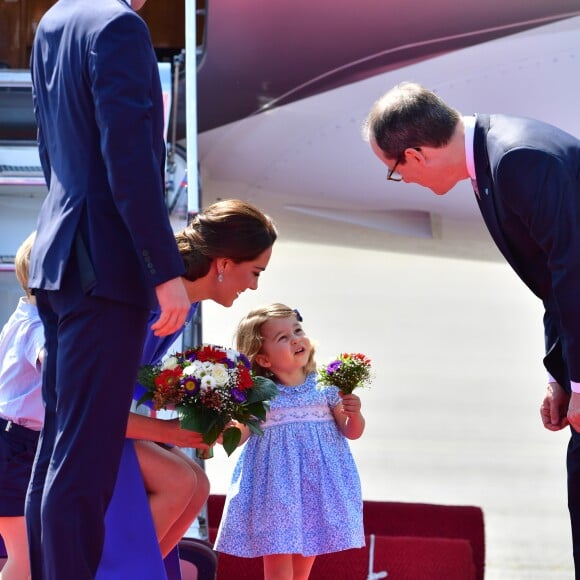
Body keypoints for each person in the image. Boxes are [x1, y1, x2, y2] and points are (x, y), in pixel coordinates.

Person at [363, 81, 580, 576]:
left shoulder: (518, 159)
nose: (401, 180)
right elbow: (554, 280)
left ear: (415, 155)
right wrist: (559, 376)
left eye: (394, 170)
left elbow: (575, 273)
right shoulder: (494, 160)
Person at [27, 0, 191, 577]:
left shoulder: (54, 20)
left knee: (60, 452)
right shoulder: (119, 25)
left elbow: (53, 151)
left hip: (62, 260)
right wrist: (163, 269)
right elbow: (128, 157)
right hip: (105, 271)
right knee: (83, 463)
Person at [214, 303, 365, 580]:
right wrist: (219, 425)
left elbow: (351, 431)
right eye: (283, 337)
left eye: (297, 330)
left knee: (303, 565)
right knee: (279, 562)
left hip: (316, 487)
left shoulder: (325, 386)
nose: (296, 338)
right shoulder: (260, 395)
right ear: (264, 360)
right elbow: (238, 436)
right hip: (275, 492)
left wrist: (354, 414)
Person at [0, 232, 44, 580]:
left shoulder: (21, 318)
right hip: (16, 446)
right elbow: (52, 361)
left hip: (16, 442)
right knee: (25, 555)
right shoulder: (37, 327)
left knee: (28, 552)